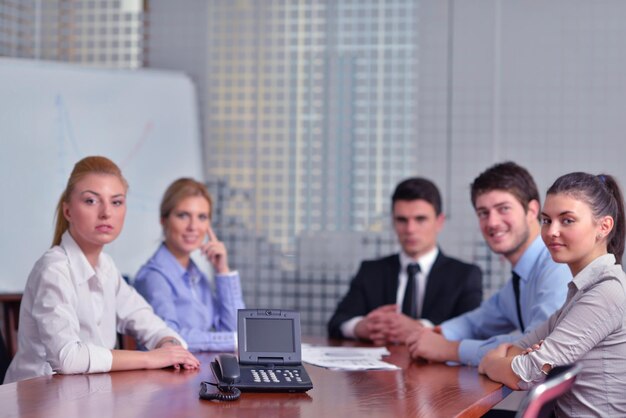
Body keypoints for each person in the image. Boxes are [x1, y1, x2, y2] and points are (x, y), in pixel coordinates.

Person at [4, 156, 199, 384]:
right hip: (36, 401)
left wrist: (169, 345)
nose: (106, 212)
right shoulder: (54, 269)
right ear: (67, 211)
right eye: (91, 201)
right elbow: (67, 358)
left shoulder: (106, 267)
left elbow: (150, 323)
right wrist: (151, 358)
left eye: (116, 202)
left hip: (84, 396)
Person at [479, 172, 626, 416]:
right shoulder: (583, 289)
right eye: (546, 220)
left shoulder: (606, 292)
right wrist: (517, 360)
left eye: (567, 220)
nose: (551, 232)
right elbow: (519, 348)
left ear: (604, 226)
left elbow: (525, 372)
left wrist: (490, 362)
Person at [407, 162, 571, 366]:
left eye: (503, 209)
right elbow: (477, 322)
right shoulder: (519, 280)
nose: (492, 222)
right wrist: (434, 334)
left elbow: (537, 346)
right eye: (483, 213)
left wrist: (450, 349)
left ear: (532, 210)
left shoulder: (557, 265)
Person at [327, 177, 483, 345]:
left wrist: (419, 329)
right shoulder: (371, 271)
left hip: (436, 370)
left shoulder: (464, 275)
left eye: (420, 219)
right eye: (402, 220)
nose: (410, 229)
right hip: (379, 369)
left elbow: (472, 332)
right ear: (393, 222)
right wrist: (360, 327)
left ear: (439, 222)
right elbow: (336, 322)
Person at [134, 178, 244, 352]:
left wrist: (222, 271)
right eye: (183, 215)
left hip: (200, 371)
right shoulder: (153, 277)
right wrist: (234, 339)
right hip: (167, 377)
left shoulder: (197, 276)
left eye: (202, 217)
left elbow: (236, 331)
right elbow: (170, 338)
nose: (193, 227)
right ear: (164, 220)